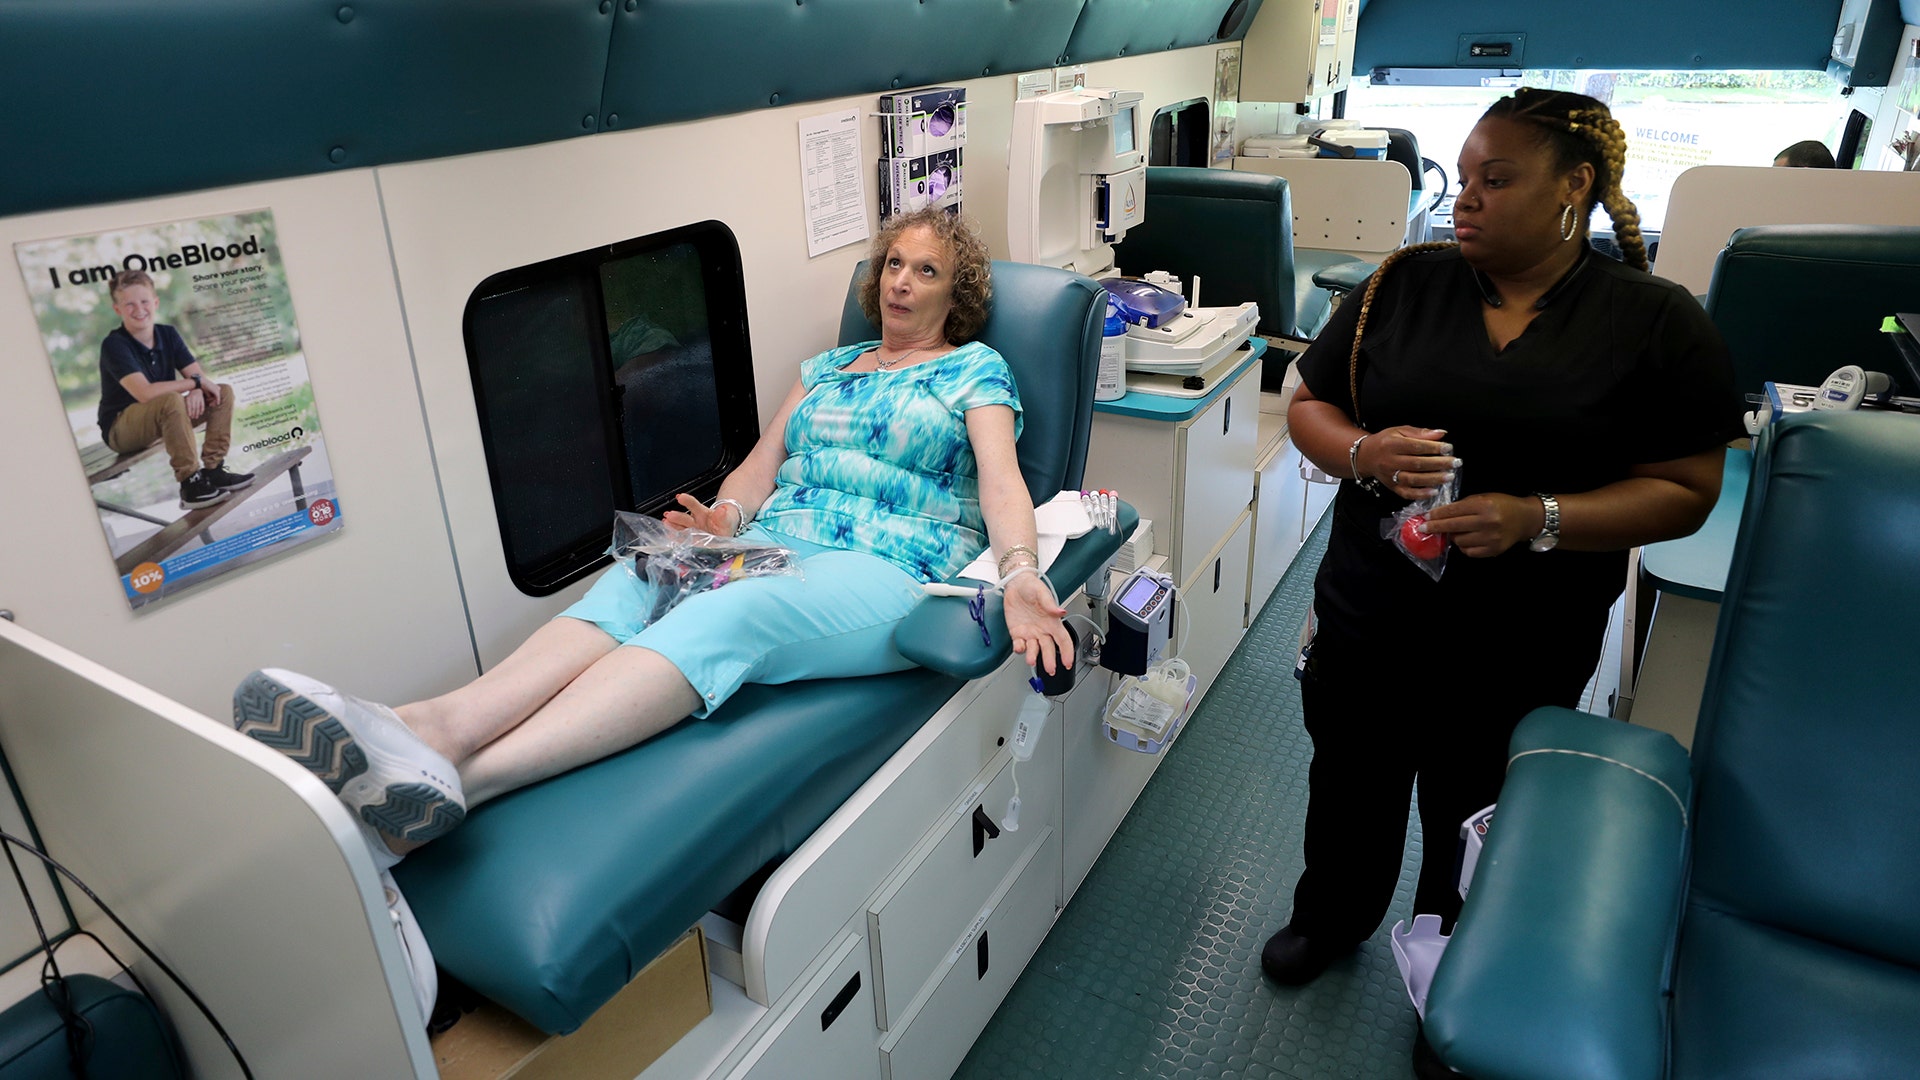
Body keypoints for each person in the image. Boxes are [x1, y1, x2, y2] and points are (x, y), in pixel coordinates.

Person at [232, 206, 1073, 871]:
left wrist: (1021, 571)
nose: (900, 283)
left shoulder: (974, 371)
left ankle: (463, 784)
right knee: (645, 575)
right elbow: (756, 467)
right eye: (893, 263)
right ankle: (429, 725)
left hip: (889, 568)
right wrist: (723, 524)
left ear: (953, 296)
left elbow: (1002, 478)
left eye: (925, 271)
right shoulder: (825, 370)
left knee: (730, 615)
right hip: (785, 539)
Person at [1262, 88, 1743, 991]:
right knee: (1351, 783)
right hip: (1371, 611)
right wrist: (1364, 449)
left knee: (1479, 805)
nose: (1468, 196)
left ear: (1576, 187)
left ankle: (1454, 963)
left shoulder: (1654, 321)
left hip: (1524, 634)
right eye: (1468, 177)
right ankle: (1330, 915)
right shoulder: (1404, 283)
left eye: (1498, 178)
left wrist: (1542, 518)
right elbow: (1309, 406)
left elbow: (1687, 491)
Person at [96, 270, 254, 508]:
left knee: (222, 392)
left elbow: (199, 377)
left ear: (155, 303)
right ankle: (190, 483)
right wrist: (196, 383)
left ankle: (213, 470)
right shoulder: (114, 345)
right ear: (117, 309)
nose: (139, 309)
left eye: (144, 301)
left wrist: (198, 389)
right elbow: (145, 393)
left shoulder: (167, 334)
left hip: (163, 416)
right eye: (129, 304)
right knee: (171, 400)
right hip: (121, 428)